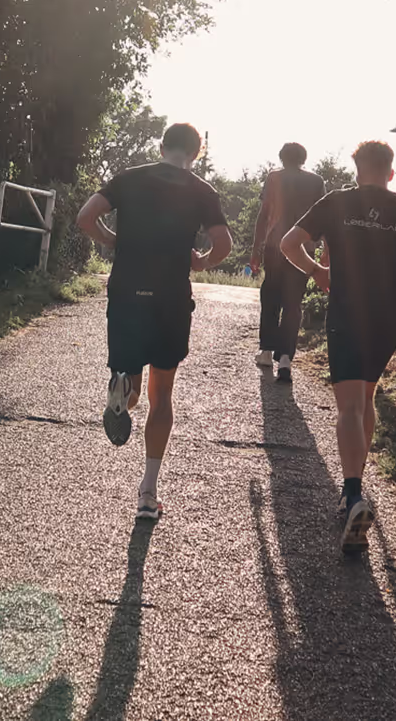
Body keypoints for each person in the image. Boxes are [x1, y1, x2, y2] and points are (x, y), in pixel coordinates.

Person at [280, 140, 396, 554]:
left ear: (357, 171)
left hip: (348, 310)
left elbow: (288, 243)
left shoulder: (337, 202)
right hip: (390, 315)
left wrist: (317, 271)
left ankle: (352, 493)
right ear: (391, 172)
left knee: (350, 406)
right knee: (367, 394)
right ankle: (354, 485)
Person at [76, 122, 232, 522]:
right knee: (161, 395)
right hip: (170, 298)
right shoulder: (202, 190)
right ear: (196, 154)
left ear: (161, 147)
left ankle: (121, 388)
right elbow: (224, 244)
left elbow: (86, 217)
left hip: (127, 293)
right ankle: (148, 492)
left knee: (130, 383)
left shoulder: (129, 178)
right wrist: (201, 262)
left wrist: (112, 240)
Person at [250, 142, 326, 383]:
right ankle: (285, 359)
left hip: (275, 245)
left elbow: (264, 214)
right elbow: (322, 219)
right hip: (303, 249)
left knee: (270, 297)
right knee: (293, 303)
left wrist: (255, 249)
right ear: (304, 158)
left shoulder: (274, 177)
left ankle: (266, 350)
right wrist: (325, 251)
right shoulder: (316, 181)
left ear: (282, 157)